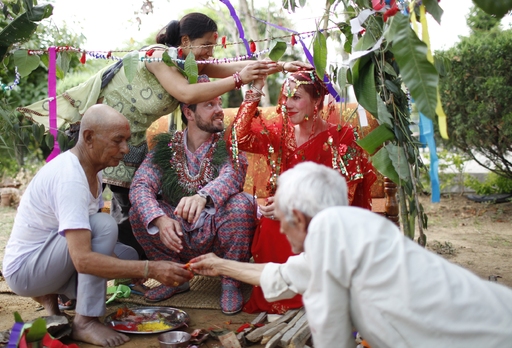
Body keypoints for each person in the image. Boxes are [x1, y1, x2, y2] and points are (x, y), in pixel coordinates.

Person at [17, 12, 310, 260]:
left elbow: (223, 68)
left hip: (128, 142)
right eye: (206, 45)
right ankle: (96, 269)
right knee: (109, 209)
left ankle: (126, 271)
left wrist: (279, 66)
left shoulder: (186, 64)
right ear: (185, 42)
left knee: (129, 208)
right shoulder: (156, 56)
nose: (211, 52)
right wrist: (237, 81)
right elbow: (187, 93)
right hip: (100, 137)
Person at [190, 161, 512, 348]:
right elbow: (281, 276)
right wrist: (220, 265)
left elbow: (332, 334)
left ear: (299, 218)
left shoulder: (328, 233)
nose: (282, 229)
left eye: (282, 219)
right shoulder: (344, 229)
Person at [2, 104, 193, 347]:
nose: (125, 149)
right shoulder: (70, 177)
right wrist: (149, 269)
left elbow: (81, 243)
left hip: (44, 262)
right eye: (118, 140)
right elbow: (82, 259)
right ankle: (86, 321)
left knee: (127, 254)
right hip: (26, 273)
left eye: (126, 140)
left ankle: (53, 308)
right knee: (104, 225)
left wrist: (131, 269)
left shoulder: (92, 169)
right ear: (89, 137)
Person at [227, 70, 376, 313]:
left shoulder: (341, 138)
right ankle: (277, 301)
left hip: (325, 217)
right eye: (285, 97)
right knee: (269, 227)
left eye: (296, 97)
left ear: (317, 101)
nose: (287, 104)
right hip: (283, 216)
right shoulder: (278, 133)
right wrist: (255, 88)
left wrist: (292, 203)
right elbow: (236, 138)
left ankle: (315, 298)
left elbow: (345, 196)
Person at [128, 75, 257, 314]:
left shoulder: (229, 142)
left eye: (219, 103)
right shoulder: (166, 147)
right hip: (178, 235)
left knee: (241, 204)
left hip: (217, 233)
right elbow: (140, 185)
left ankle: (231, 281)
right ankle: (176, 278)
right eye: (210, 105)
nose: (219, 110)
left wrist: (202, 196)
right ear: (189, 112)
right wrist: (159, 219)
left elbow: (233, 176)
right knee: (139, 212)